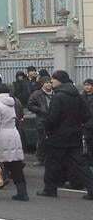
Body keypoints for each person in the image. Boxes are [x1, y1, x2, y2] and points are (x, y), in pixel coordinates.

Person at [37, 71, 93, 199]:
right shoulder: (78, 95)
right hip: (75, 134)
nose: (51, 82)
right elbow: (87, 115)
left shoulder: (58, 96)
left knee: (52, 162)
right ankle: (91, 189)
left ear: (59, 80)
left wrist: (47, 129)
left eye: (53, 80)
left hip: (58, 136)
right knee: (80, 164)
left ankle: (50, 189)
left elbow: (53, 118)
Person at [28, 76, 54, 166]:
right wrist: (40, 110)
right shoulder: (37, 94)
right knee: (42, 140)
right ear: (42, 84)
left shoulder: (55, 93)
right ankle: (41, 158)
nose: (49, 84)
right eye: (46, 83)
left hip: (54, 119)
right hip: (42, 119)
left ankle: (52, 158)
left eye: (50, 82)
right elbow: (30, 105)